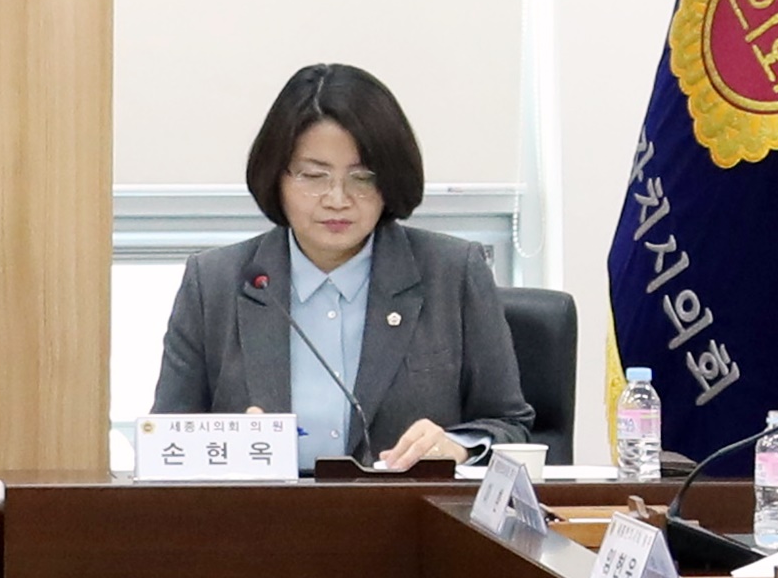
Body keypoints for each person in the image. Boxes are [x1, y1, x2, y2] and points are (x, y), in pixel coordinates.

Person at [145, 62, 530, 472]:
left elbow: (510, 425)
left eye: (362, 178)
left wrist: (457, 445)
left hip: (408, 510)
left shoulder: (452, 273)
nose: (337, 199)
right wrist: (224, 444)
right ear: (276, 177)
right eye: (313, 176)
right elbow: (166, 442)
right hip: (264, 512)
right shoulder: (214, 283)